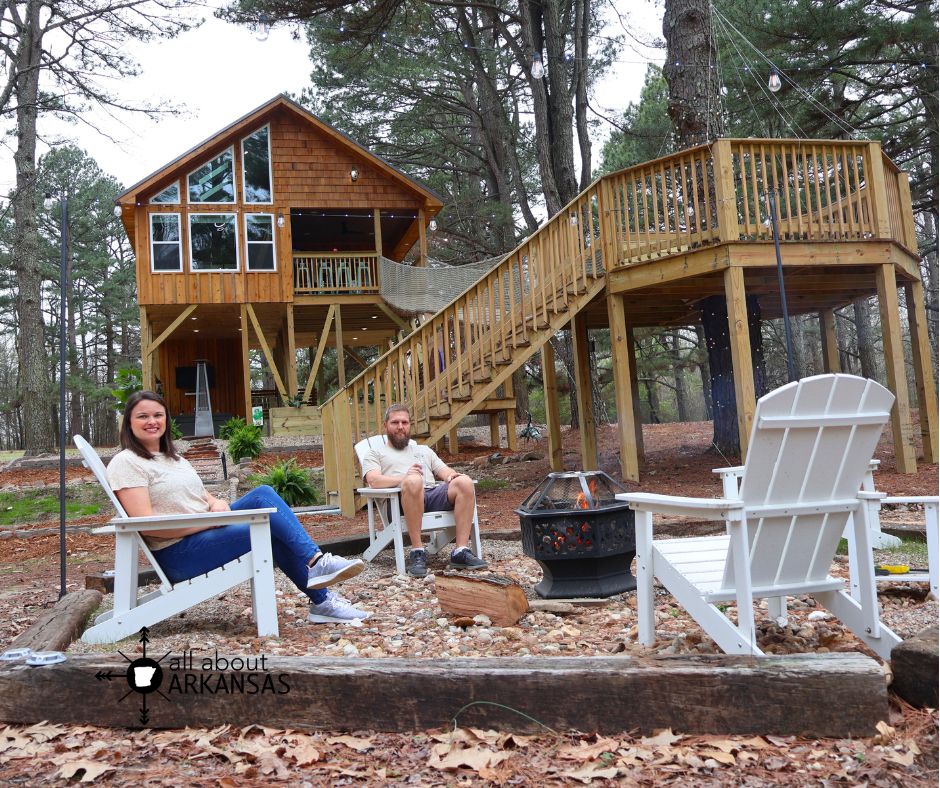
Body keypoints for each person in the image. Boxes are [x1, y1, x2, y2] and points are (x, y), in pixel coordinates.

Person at [107, 390, 369, 624]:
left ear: (166, 419)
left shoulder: (172, 458)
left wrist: (216, 503)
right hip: (179, 553)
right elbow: (146, 523)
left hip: (204, 532)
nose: (152, 422)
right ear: (129, 422)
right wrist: (209, 521)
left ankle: (317, 564)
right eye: (143, 416)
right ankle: (321, 593)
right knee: (268, 530)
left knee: (263, 495)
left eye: (158, 415)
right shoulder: (127, 462)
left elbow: (200, 495)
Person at [360, 403, 487, 578]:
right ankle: (418, 552)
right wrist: (405, 478)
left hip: (431, 495)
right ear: (385, 425)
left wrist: (451, 476)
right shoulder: (375, 453)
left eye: (405, 422)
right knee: (413, 481)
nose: (400, 427)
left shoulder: (423, 450)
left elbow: (444, 471)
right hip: (399, 500)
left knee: (464, 482)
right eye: (395, 422)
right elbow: (373, 480)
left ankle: (460, 551)